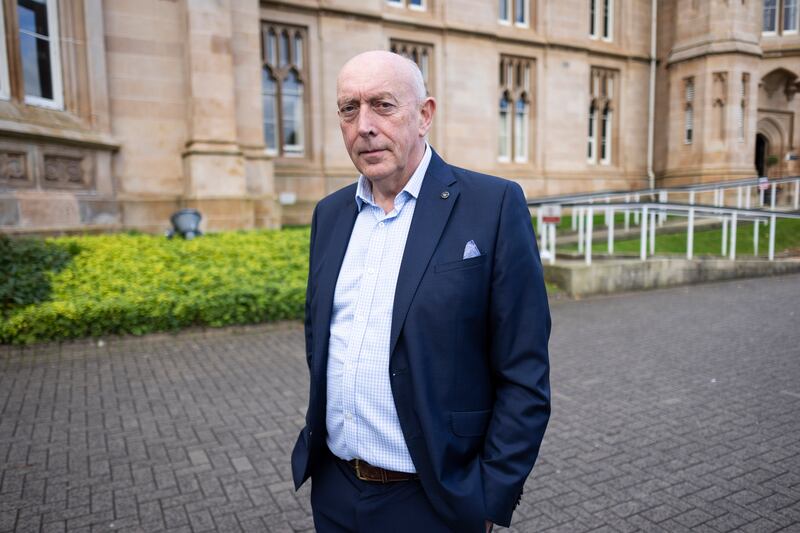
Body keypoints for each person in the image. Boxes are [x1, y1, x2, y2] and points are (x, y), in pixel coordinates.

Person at [291, 50, 551, 533]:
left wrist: (489, 498)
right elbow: (319, 339)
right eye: (349, 108)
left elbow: (524, 372)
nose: (364, 126)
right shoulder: (330, 214)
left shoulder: (492, 206)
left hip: (435, 501)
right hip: (335, 492)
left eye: (383, 106)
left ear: (424, 115)